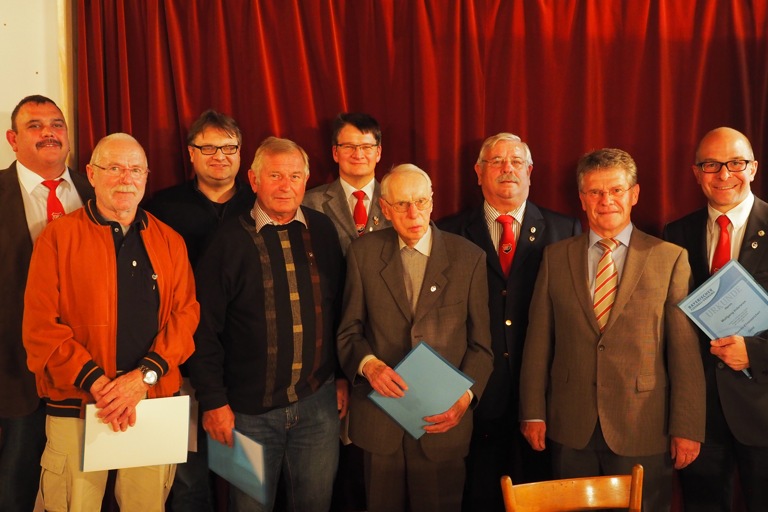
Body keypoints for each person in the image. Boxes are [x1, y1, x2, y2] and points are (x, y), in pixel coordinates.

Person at [519, 148, 706, 512]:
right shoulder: (555, 258)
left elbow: (684, 353)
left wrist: (687, 426)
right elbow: (538, 341)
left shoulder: (669, 258)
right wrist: (532, 411)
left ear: (634, 194)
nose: (606, 200)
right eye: (595, 192)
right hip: (570, 424)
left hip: (644, 426)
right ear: (582, 199)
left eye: (616, 190)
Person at [22, 132, 199, 510]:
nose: (126, 178)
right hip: (78, 404)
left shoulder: (170, 241)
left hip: (150, 402)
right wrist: (99, 385)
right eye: (114, 168)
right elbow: (40, 326)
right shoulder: (57, 237)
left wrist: (142, 379)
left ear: (147, 176)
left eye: (135, 170)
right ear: (91, 173)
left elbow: (185, 318)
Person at [188, 136, 346, 512]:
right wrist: (213, 402)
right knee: (247, 507)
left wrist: (341, 377)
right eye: (275, 175)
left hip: (318, 406)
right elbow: (202, 329)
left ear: (306, 180)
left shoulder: (323, 230)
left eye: (295, 176)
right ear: (254, 180)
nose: (285, 185)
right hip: (244, 414)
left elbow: (340, 309)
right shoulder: (226, 241)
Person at [337, 164, 493, 512]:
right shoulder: (362, 254)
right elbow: (349, 331)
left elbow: (482, 347)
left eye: (421, 202)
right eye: (403, 204)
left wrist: (465, 398)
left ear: (432, 202)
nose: (413, 213)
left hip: (443, 422)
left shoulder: (469, 258)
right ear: (385, 208)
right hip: (380, 421)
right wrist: (368, 366)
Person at [438, 132, 581, 510]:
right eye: (496, 161)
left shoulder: (565, 230)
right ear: (478, 172)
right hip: (475, 394)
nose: (507, 169)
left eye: (516, 161)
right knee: (479, 495)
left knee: (541, 496)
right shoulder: (449, 231)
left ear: (530, 172)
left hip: (545, 394)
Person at [145, 109, 255, 511]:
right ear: (190, 153)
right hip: (181, 365)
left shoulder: (259, 203)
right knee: (189, 484)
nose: (219, 156)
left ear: (241, 153)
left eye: (228, 147)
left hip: (246, 368)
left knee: (248, 483)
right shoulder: (161, 208)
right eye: (208, 148)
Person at [663, 127, 768, 512]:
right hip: (700, 415)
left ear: (753, 168)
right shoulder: (676, 233)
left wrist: (755, 352)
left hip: (763, 406)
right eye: (711, 164)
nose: (724, 174)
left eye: (736, 163)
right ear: (696, 173)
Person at [0, 94, 93, 510]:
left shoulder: (98, 190)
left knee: (83, 490)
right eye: (34, 126)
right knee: (14, 486)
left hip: (88, 374)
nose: (49, 133)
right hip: (14, 374)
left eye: (57, 124)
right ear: (12, 140)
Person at [303, 112, 390, 255]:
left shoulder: (396, 201)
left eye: (366, 147)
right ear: (335, 153)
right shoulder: (309, 203)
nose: (358, 155)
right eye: (349, 146)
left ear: (378, 152)